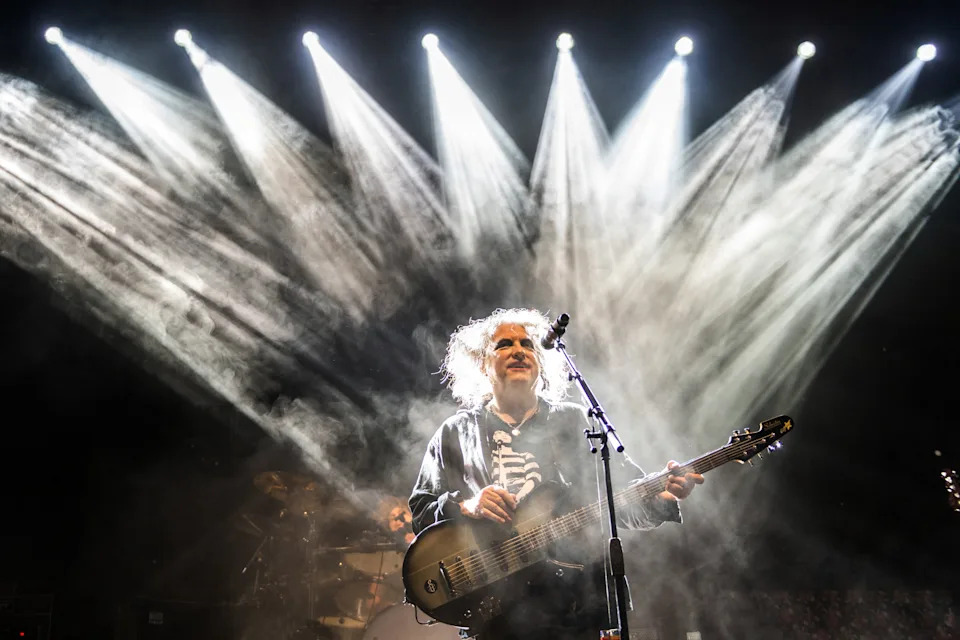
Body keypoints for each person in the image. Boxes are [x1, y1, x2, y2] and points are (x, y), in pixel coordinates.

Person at [409, 308, 704, 640]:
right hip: (495, 610)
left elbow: (619, 505)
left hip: (574, 606)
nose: (519, 351)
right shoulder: (456, 432)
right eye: (505, 344)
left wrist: (660, 497)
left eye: (528, 344)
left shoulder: (579, 422)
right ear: (481, 363)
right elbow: (420, 513)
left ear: (541, 361)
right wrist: (466, 506)